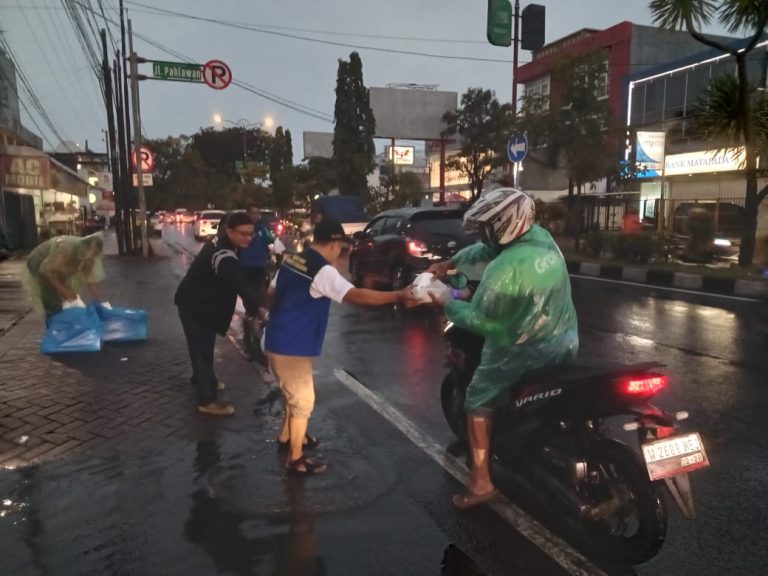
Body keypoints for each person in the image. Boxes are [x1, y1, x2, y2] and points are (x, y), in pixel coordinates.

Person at [426, 188, 579, 509]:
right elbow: (484, 250)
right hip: (564, 343)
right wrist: (451, 263)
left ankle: (481, 483)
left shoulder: (504, 269)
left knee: (478, 399)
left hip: (522, 352)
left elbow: (484, 322)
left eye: (487, 227)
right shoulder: (543, 240)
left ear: (503, 225)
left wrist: (445, 301)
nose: (483, 233)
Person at [265, 218, 420, 475]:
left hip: (277, 337)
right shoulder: (322, 270)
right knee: (303, 401)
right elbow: (356, 295)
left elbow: (271, 293)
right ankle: (295, 459)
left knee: (291, 394)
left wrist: (279, 316)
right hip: (292, 344)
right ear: (335, 242)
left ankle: (288, 436)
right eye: (342, 246)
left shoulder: (293, 259)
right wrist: (398, 296)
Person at [174, 212, 261, 416]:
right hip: (195, 306)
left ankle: (202, 379)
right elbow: (242, 285)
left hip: (199, 304)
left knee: (202, 348)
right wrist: (258, 310)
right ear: (229, 231)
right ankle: (207, 400)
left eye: (251, 234)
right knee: (202, 350)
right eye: (243, 234)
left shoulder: (221, 244)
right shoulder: (223, 254)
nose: (247, 238)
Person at [23, 233, 105, 320]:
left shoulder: (89, 256)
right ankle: (55, 327)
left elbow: (90, 279)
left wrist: (100, 302)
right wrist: (65, 291)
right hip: (39, 262)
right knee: (51, 297)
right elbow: (46, 272)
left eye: (93, 255)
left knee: (68, 294)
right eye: (90, 254)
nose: (90, 257)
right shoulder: (66, 249)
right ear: (84, 248)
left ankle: (65, 319)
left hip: (56, 266)